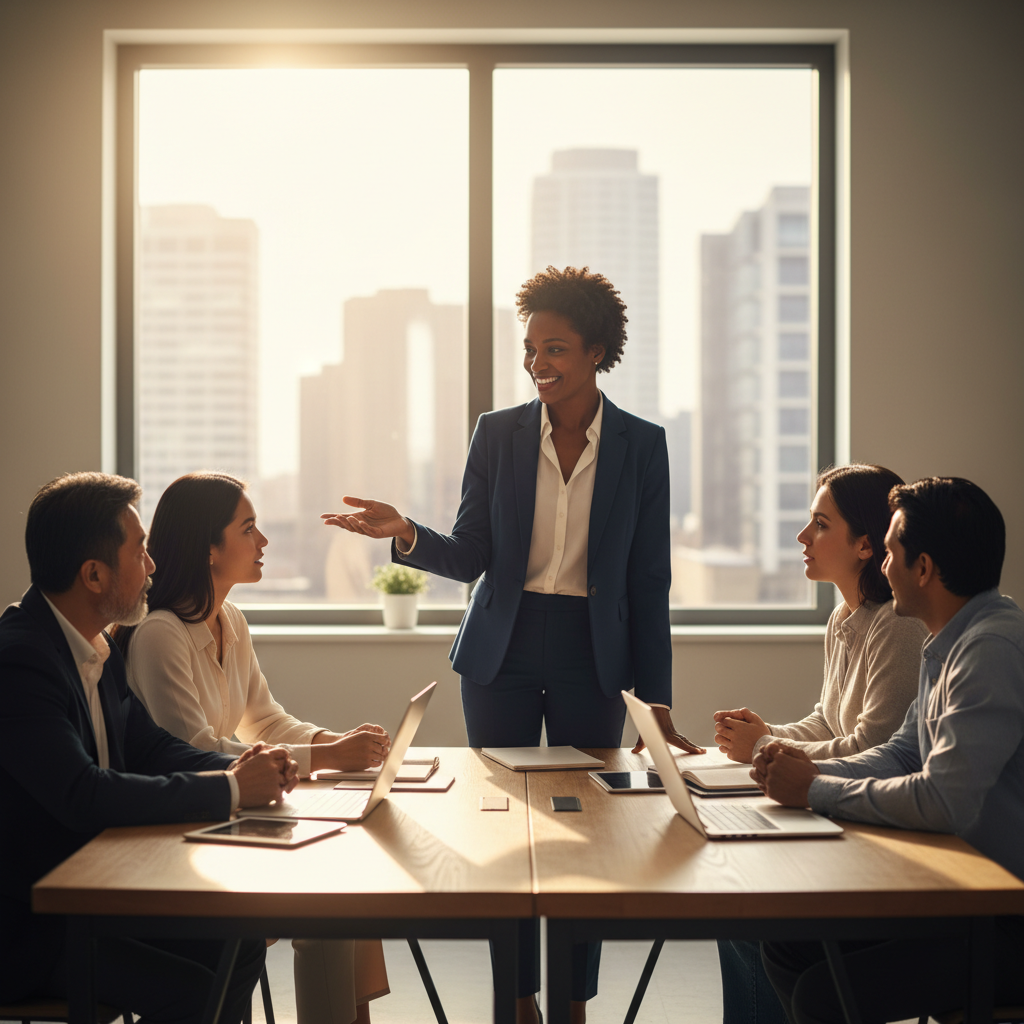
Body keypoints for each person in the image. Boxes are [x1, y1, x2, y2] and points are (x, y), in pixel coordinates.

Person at [323, 265, 704, 1024]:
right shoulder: (497, 433)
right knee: (501, 835)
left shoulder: (642, 446)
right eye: (530, 349)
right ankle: (516, 999)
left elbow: (647, 583)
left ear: (596, 351)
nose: (538, 365)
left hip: (593, 654)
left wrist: (655, 701)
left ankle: (572, 1000)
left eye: (556, 349)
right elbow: (470, 555)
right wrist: (404, 532)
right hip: (500, 650)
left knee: (586, 835)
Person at [0, 472, 298, 1021]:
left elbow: (154, 748)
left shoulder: (94, 644)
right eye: (139, 550)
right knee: (190, 987)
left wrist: (243, 772)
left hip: (98, 891)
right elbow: (82, 793)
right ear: (94, 574)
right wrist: (232, 788)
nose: (153, 565)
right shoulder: (22, 662)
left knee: (240, 940)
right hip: (31, 927)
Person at [116, 472, 391, 1024]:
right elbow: (196, 749)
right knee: (329, 903)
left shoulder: (231, 620)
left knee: (349, 880)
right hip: (183, 834)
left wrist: (331, 743)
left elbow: (262, 719)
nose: (263, 542)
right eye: (249, 529)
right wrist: (328, 760)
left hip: (225, 821)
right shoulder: (159, 634)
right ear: (209, 549)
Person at [753, 476, 1024, 1024]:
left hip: (1002, 917)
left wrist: (816, 789)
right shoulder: (946, 639)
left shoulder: (989, 648)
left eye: (892, 552)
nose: (882, 566)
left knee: (821, 997)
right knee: (784, 942)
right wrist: (803, 768)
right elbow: (903, 753)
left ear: (922, 568)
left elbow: (944, 800)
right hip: (959, 893)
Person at [711, 464, 929, 1024]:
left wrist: (770, 749)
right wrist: (768, 739)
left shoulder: (896, 627)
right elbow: (829, 721)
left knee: (748, 915)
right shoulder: (844, 616)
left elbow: (874, 743)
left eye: (819, 525)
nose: (803, 538)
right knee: (733, 913)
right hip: (842, 807)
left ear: (864, 544)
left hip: (873, 828)